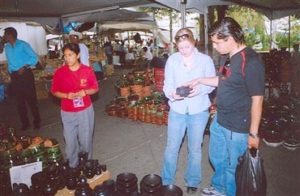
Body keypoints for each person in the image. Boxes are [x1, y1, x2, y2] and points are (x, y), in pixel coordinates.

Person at [186, 17, 265, 196]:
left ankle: (229, 192)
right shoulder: (228, 57)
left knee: (232, 165)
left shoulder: (251, 61)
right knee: (216, 157)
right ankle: (219, 187)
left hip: (237, 126)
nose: (215, 46)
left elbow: (258, 99)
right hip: (221, 119)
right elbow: (223, 81)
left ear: (230, 38)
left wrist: (253, 133)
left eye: (217, 42)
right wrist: (198, 80)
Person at [161, 28, 216, 194]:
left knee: (195, 147)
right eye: (180, 48)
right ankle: (166, 180)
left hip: (199, 110)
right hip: (177, 109)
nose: (184, 51)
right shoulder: (172, 60)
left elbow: (212, 83)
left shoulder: (206, 60)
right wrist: (171, 94)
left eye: (187, 47)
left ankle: (193, 180)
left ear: (194, 42)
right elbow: (167, 84)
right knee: (172, 146)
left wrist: (199, 90)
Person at [51, 43, 99, 168]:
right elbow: (54, 91)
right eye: (65, 55)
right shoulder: (60, 72)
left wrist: (85, 92)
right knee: (70, 142)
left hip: (85, 111)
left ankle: (87, 165)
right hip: (67, 112)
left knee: (85, 140)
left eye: (70, 55)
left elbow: (95, 88)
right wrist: (66, 96)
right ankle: (73, 166)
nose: (67, 58)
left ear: (78, 55)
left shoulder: (87, 70)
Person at [3, 27, 41, 131]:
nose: (4, 37)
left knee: (31, 100)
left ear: (10, 35)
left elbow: (34, 57)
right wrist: (9, 73)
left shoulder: (23, 44)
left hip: (25, 74)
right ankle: (25, 123)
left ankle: (37, 121)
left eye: (5, 34)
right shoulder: (7, 47)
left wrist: (24, 66)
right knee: (19, 102)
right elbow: (10, 61)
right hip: (15, 76)